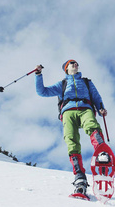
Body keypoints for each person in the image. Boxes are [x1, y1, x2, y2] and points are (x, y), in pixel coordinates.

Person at [34, 60, 108, 196]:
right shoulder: (62, 84)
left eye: (76, 63)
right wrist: (38, 75)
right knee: (71, 140)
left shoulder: (86, 82)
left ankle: (102, 153)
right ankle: (79, 177)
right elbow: (42, 91)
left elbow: (96, 97)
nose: (75, 64)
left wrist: (101, 108)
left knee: (92, 125)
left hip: (85, 109)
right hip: (68, 112)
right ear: (66, 68)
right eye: (72, 63)